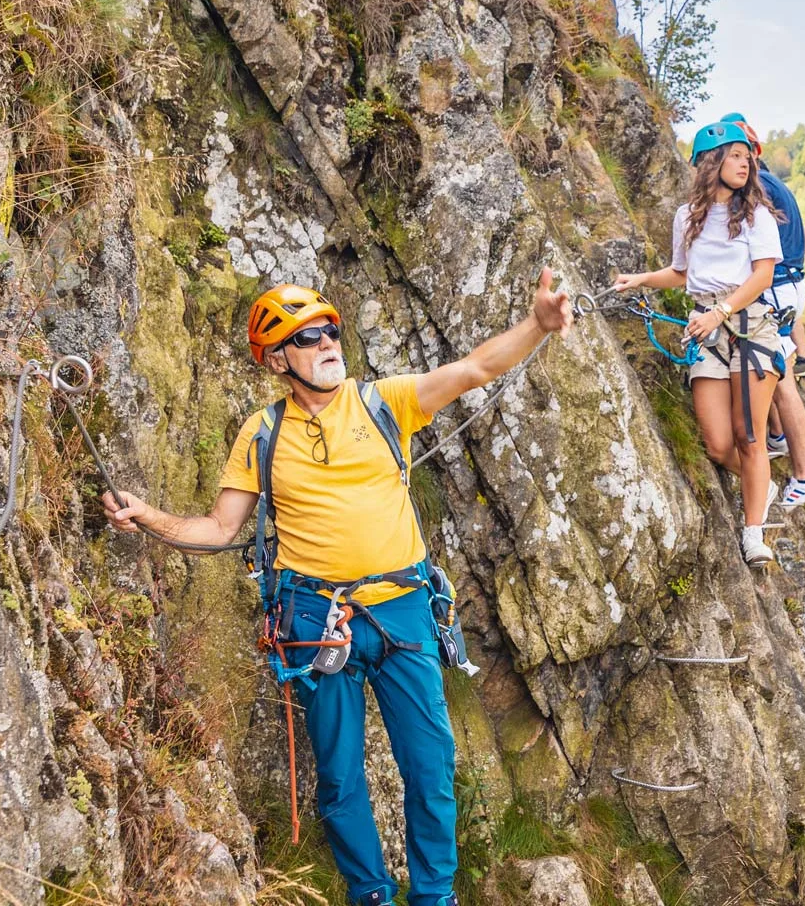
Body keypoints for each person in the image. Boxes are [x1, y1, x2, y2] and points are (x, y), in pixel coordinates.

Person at [100, 274, 573, 906]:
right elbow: (219, 527)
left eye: (330, 330)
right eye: (308, 336)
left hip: (404, 608)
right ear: (276, 360)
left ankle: (435, 897)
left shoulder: (385, 403)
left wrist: (538, 323)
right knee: (341, 779)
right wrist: (149, 517)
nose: (327, 343)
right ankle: (369, 895)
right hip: (314, 618)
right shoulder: (262, 434)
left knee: (430, 769)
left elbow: (472, 369)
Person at [612, 120, 785, 567]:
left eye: (748, 158)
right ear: (711, 162)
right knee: (717, 443)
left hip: (748, 328)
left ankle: (754, 534)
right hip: (706, 328)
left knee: (749, 436)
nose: (745, 164)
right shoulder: (687, 216)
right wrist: (640, 281)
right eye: (735, 156)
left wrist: (720, 313)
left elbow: (762, 275)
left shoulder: (757, 216)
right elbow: (682, 272)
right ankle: (761, 486)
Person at [721, 112, 805, 509]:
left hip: (778, 288)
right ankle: (780, 437)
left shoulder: (760, 187)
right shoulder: (778, 186)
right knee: (779, 371)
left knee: (781, 381)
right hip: (791, 284)